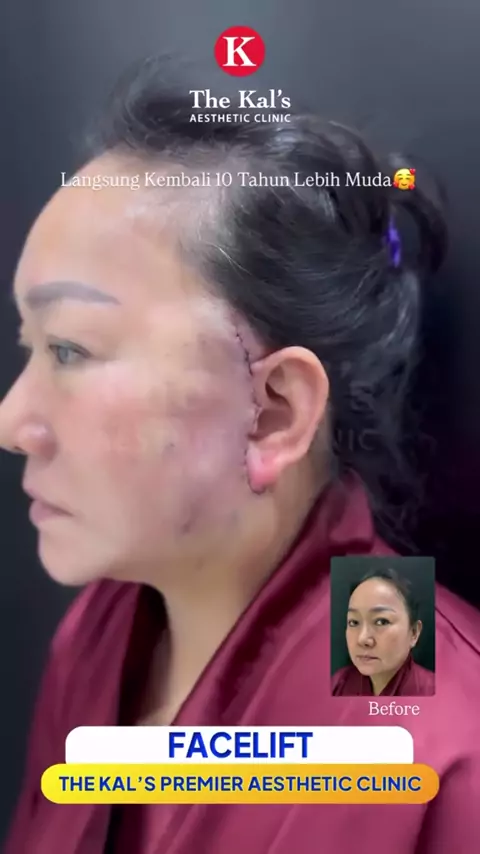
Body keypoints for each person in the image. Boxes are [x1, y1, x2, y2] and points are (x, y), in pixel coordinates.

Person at [2, 56, 480, 854]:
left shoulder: (439, 746)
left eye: (71, 349)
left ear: (273, 413)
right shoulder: (102, 631)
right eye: (31, 347)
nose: (13, 422)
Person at [332, 567, 435, 696]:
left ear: (414, 632)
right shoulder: (339, 684)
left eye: (381, 621)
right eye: (354, 622)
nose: (362, 639)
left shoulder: (435, 692)